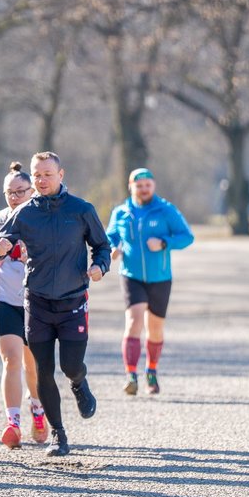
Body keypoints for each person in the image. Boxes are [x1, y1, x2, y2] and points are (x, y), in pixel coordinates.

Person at [0, 151, 109, 457]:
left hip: (73, 301)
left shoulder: (81, 209)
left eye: (47, 174)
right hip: (38, 301)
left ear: (61, 175)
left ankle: (79, 383)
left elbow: (102, 246)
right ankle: (59, 434)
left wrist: (100, 266)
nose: (42, 180)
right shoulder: (25, 212)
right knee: (43, 371)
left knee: (70, 365)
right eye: (37, 175)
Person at [107, 168, 194, 395]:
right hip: (131, 275)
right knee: (134, 320)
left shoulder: (165, 210)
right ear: (131, 186)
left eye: (147, 185)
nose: (144, 189)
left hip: (160, 277)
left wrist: (164, 243)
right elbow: (110, 236)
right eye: (139, 185)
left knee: (154, 329)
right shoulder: (121, 212)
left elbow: (186, 236)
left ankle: (151, 371)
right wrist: (113, 248)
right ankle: (131, 375)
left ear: (153, 186)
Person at [0, 163, 47, 449]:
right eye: (10, 192)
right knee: (11, 359)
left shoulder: (42, 221)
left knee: (33, 366)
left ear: (31, 191)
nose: (15, 197)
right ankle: (12, 422)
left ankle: (38, 410)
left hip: (35, 301)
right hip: (3, 299)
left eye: (21, 192)